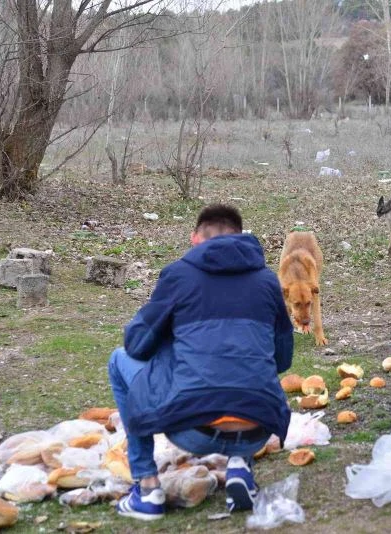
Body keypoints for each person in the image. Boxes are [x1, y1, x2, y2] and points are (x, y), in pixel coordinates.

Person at [107, 204, 293, 520]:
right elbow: (282, 359)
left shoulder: (178, 275)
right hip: (258, 429)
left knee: (118, 360)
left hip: (193, 430)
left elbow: (136, 346)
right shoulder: (266, 281)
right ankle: (240, 466)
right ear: (241, 238)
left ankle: (147, 487)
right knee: (246, 367)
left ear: (195, 239)